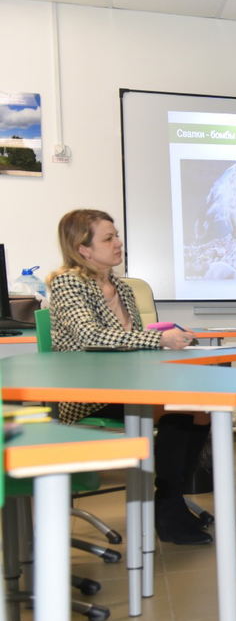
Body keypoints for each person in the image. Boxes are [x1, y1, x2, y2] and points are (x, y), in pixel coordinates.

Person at [48, 209, 212, 545]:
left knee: (201, 408)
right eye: (108, 238)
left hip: (128, 387)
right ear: (84, 249)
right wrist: (158, 339)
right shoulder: (68, 283)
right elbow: (90, 337)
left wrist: (171, 336)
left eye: (116, 235)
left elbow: (133, 339)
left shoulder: (121, 287)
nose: (118, 242)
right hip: (87, 394)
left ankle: (170, 500)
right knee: (180, 410)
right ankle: (168, 508)